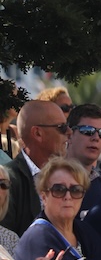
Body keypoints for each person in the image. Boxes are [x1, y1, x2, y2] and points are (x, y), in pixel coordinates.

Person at [1, 100, 70, 236]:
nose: (70, 132)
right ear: (38, 133)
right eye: (62, 127)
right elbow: (5, 242)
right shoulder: (7, 182)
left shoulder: (66, 178)